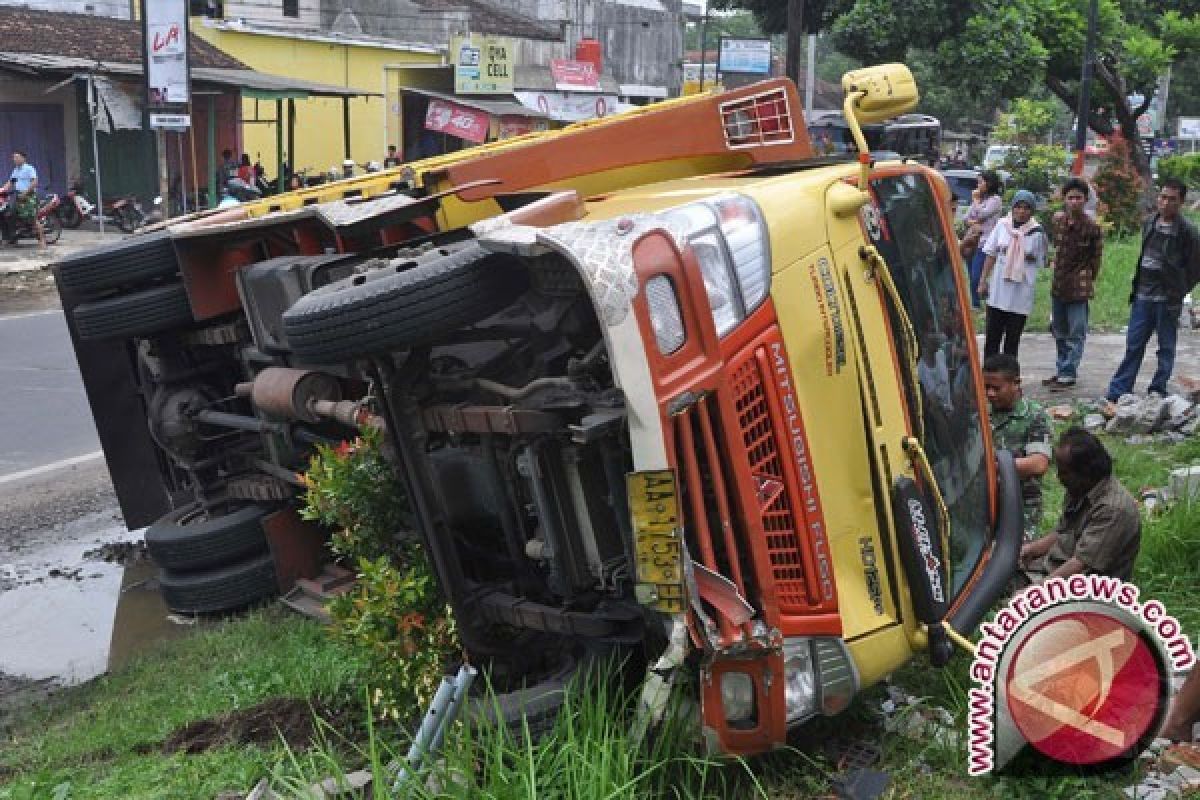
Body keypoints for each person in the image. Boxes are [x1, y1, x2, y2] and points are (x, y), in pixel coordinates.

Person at [1105, 178, 1200, 402]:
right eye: (1162, 197)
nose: (1165, 203)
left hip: (1167, 298)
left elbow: (1196, 267)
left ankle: (1158, 388)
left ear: (1181, 202)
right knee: (1134, 344)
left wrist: (1179, 289)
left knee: (1165, 347)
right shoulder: (1150, 222)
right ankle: (1120, 389)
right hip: (1142, 296)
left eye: (1172, 199)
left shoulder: (1187, 231)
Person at [1018, 428, 1140, 583]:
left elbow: (1081, 564)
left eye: (1064, 473)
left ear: (1085, 473)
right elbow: (1063, 531)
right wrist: (1030, 550)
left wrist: (1033, 592)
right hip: (1058, 568)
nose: (1059, 478)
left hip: (1089, 588)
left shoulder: (1113, 510)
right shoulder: (1079, 489)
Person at [1043, 177, 1104, 390]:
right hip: (1059, 284)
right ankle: (1062, 369)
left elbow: (1096, 259)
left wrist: (1087, 279)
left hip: (1079, 287)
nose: (1075, 202)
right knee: (1059, 330)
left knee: (1076, 332)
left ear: (1085, 200)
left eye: (1079, 198)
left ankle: (1069, 372)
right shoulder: (1058, 220)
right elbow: (1056, 251)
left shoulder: (1092, 227)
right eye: (1071, 198)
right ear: (1065, 199)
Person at [983, 354, 1052, 541]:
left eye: (996, 388)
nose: (990, 394)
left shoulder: (1034, 416)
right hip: (982, 505)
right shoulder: (980, 412)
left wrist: (991, 467)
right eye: (986, 387)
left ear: (1016, 383)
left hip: (1019, 506)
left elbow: (1039, 464)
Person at [978, 189, 1048, 358]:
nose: (1021, 212)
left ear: (1032, 211)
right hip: (999, 288)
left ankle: (1008, 377)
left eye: (1026, 208)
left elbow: (1041, 259)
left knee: (1012, 338)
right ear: (1013, 207)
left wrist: (1023, 251)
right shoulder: (1002, 225)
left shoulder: (1037, 233)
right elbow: (991, 254)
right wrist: (982, 281)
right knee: (993, 336)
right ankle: (989, 374)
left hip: (1020, 290)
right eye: (1018, 207)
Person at [963, 170, 1005, 308]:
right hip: (972, 241)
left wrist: (975, 201)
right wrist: (973, 221)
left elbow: (982, 214)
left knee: (977, 276)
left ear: (989, 183)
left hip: (986, 242)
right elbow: (966, 218)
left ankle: (981, 302)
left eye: (981, 182)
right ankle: (978, 303)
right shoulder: (981, 199)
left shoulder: (995, 200)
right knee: (971, 275)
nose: (978, 185)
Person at [6, 150, 45, 250]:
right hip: (18, 196)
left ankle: (42, 241)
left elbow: (35, 182)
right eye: (14, 157)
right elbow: (10, 183)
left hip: (29, 196)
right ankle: (13, 238)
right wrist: (1, 190)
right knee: (10, 214)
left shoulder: (29, 168)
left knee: (33, 219)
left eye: (17, 157)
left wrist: (26, 192)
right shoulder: (16, 170)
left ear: (23, 158)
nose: (15, 159)